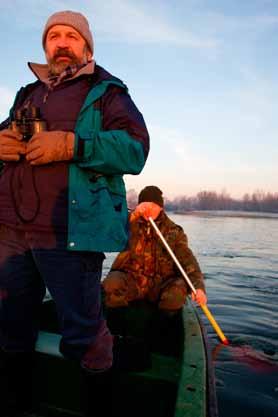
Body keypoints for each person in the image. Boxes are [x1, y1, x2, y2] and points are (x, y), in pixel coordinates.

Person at [0, 10, 149, 417]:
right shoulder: (27, 92)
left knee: (84, 335)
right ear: (46, 46)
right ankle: (17, 404)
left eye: (71, 36)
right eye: (54, 36)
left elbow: (135, 150)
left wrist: (73, 146)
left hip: (68, 231)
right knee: (11, 324)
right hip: (10, 232)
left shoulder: (107, 92)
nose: (62, 43)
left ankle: (97, 408)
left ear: (86, 46)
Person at [103, 186, 207, 313]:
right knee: (112, 283)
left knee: (177, 290)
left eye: (153, 206)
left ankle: (165, 324)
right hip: (133, 282)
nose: (148, 210)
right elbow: (111, 234)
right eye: (145, 206)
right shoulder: (129, 223)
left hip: (161, 285)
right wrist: (134, 216)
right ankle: (117, 323)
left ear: (161, 207)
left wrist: (198, 288)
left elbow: (187, 260)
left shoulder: (174, 231)